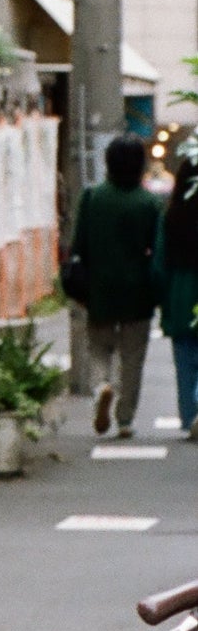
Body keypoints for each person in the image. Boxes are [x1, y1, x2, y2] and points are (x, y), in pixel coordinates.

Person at [68, 132, 161, 438]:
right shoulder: (149, 202)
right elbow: (157, 251)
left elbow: (79, 245)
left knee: (98, 348)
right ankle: (125, 419)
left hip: (99, 289)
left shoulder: (92, 197)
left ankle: (101, 387)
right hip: (138, 291)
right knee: (132, 358)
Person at [154, 144, 198, 438]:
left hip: (181, 293)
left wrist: (161, 298)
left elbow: (159, 265)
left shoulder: (171, 217)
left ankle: (190, 415)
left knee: (185, 360)